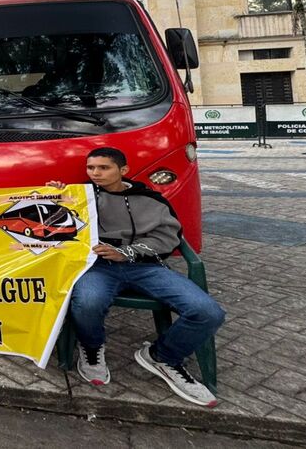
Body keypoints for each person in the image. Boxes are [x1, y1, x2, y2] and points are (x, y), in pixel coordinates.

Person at [47, 147, 224, 407]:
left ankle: (162, 356)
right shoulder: (79, 195)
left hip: (146, 267)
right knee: (88, 302)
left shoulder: (149, 199)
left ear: (123, 170)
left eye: (104, 167)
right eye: (91, 168)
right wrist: (55, 199)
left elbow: (166, 237)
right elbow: (55, 228)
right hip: (97, 267)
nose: (95, 173)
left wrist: (127, 253)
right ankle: (92, 348)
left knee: (208, 312)